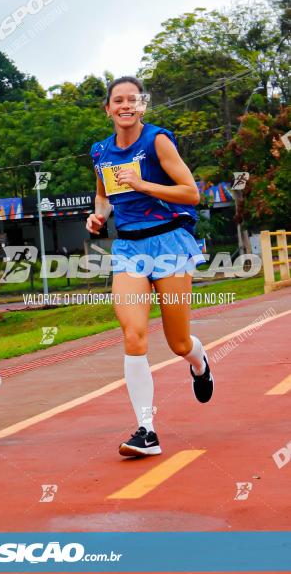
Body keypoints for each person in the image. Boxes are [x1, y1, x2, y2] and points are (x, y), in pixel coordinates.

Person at [86, 76, 213, 457]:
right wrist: (97, 216)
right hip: (128, 247)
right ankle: (146, 429)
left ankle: (199, 361)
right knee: (134, 335)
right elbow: (103, 194)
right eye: (117, 100)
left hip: (169, 241)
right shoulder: (101, 152)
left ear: (142, 106)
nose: (125, 105)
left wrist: (143, 185)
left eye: (133, 100)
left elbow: (191, 193)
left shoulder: (157, 140)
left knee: (177, 343)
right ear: (107, 109)